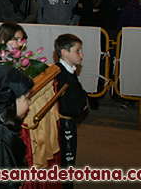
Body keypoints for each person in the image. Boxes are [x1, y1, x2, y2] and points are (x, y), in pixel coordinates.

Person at [54, 34, 88, 189]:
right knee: (66, 162)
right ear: (64, 52)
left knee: (70, 162)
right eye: (78, 50)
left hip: (70, 122)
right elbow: (71, 106)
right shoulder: (60, 75)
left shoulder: (70, 72)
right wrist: (82, 104)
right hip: (64, 124)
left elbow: (81, 95)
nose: (81, 54)